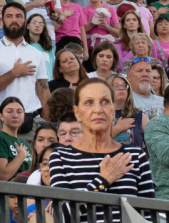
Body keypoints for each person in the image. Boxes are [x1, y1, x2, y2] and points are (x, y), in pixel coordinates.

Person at [48, 78, 155, 221]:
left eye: (105, 102)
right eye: (89, 103)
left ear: (112, 110)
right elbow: (62, 215)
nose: (98, 109)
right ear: (77, 112)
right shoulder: (61, 157)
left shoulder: (136, 157)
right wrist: (104, 180)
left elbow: (148, 217)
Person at [0, 2, 50, 123]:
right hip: (2, 120)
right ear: (3, 20)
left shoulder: (36, 53)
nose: (14, 20)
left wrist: (46, 122)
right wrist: (14, 73)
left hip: (32, 118)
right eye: (9, 16)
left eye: (18, 16)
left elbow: (43, 91)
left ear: (25, 21)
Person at [0, 98, 34, 181]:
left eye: (19, 112)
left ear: (23, 117)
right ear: (1, 116)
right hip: (4, 192)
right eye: (9, 111)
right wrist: (21, 155)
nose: (15, 115)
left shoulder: (25, 143)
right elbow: (3, 175)